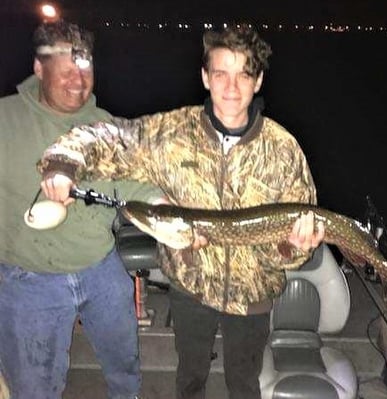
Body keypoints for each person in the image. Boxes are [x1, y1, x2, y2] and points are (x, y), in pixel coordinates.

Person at [38, 25, 325, 399]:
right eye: (221, 73)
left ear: (258, 82)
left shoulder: (283, 149)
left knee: (243, 383)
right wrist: (64, 162)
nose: (232, 87)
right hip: (189, 289)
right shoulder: (171, 134)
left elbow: (294, 250)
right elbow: (109, 137)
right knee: (190, 378)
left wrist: (295, 247)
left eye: (244, 75)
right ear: (205, 77)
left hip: (253, 295)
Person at [0, 20, 158, 399]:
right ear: (39, 68)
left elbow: (136, 183)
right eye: (66, 68)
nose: (78, 79)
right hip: (29, 281)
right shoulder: (6, 120)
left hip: (101, 268)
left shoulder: (105, 126)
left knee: (125, 365)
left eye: (85, 67)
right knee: (34, 388)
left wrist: (162, 204)